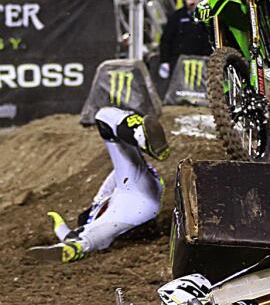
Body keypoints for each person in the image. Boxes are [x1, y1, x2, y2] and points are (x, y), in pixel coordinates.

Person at [28, 108, 170, 263]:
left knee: (104, 117)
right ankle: (138, 132)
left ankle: (139, 134)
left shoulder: (99, 215)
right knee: (104, 116)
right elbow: (88, 236)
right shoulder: (102, 219)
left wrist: (63, 229)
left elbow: (80, 233)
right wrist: (66, 233)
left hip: (139, 194)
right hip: (139, 196)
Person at [158, 0, 211, 80]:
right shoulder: (176, 17)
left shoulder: (207, 17)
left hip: (202, 63)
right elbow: (166, 40)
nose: (193, 1)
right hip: (179, 62)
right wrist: (165, 61)